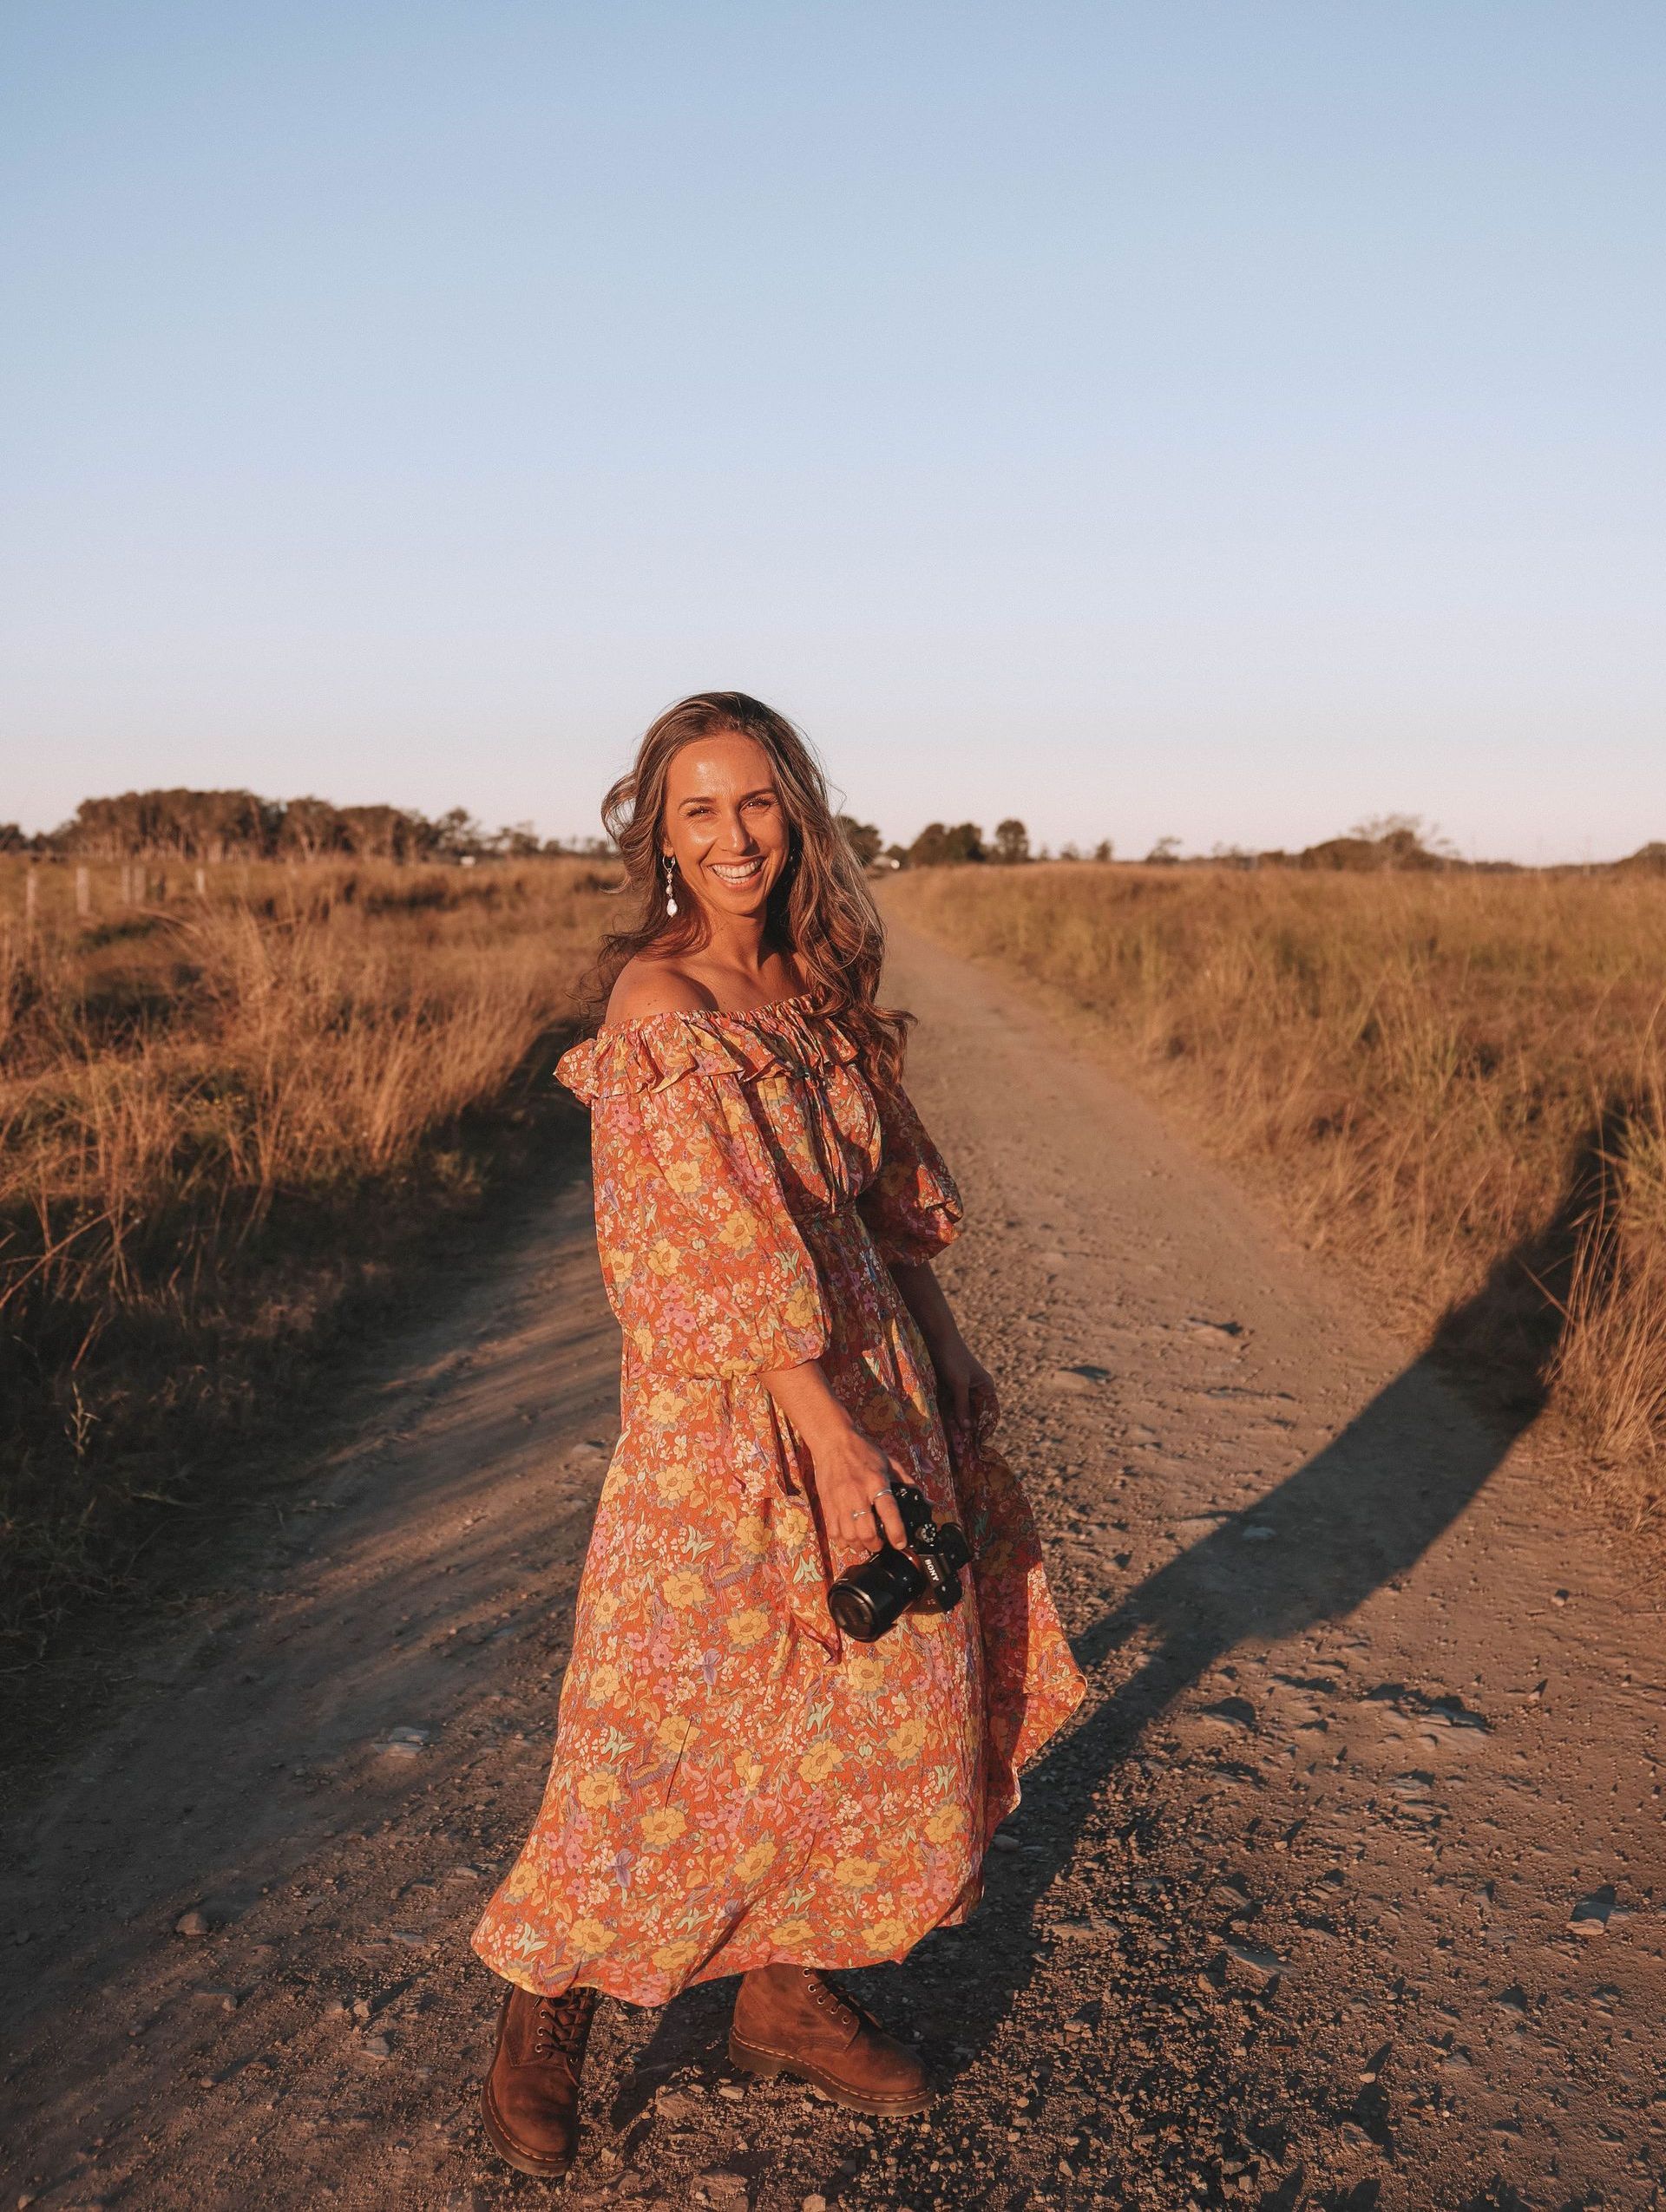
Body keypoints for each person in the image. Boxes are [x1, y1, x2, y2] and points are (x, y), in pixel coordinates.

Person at [471, 692, 1084, 2180]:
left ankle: (788, 1997)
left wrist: (942, 1351)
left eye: (756, 804)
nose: (734, 836)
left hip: (872, 1375)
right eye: (699, 811)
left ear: (794, 813)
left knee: (864, 1699)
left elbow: (885, 1204)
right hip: (735, 1407)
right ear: (659, 834)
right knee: (665, 1716)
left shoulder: (811, 983)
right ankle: (546, 2010)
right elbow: (695, 1256)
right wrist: (822, 1429)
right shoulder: (659, 1010)